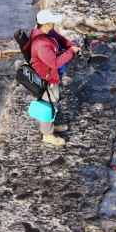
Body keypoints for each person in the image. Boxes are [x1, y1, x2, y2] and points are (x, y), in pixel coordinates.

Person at [30, 9, 82, 146]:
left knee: (54, 100)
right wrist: (71, 52)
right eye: (52, 21)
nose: (54, 23)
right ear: (46, 24)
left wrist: (72, 45)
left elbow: (61, 39)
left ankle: (50, 125)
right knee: (48, 103)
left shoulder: (48, 33)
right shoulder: (41, 44)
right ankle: (47, 134)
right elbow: (54, 62)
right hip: (47, 78)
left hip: (53, 74)